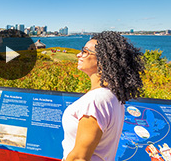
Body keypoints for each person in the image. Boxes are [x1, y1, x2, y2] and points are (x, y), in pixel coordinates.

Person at [62, 31, 145, 161]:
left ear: (103, 60)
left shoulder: (96, 100)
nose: (79, 55)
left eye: (85, 51)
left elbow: (79, 157)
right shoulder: (113, 97)